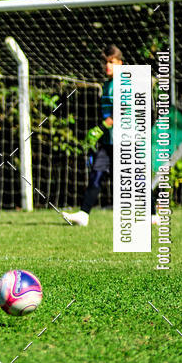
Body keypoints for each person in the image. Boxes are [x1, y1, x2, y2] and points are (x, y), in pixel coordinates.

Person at [63, 45, 157, 227]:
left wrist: (100, 128)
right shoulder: (107, 85)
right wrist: (102, 131)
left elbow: (121, 110)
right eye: (105, 63)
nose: (108, 66)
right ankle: (83, 214)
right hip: (109, 141)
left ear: (120, 63)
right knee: (96, 174)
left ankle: (153, 215)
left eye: (111, 62)